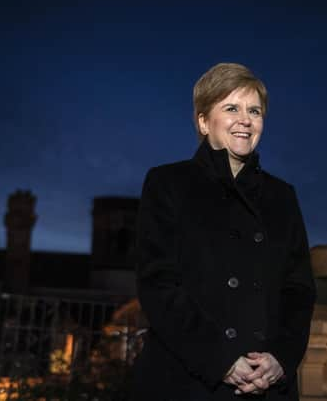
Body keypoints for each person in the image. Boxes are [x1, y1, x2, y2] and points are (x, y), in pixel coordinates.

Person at [132, 63, 316, 401]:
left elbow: (299, 289)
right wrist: (220, 359)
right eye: (231, 108)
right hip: (188, 381)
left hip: (267, 384)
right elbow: (158, 285)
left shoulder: (282, 196)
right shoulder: (168, 184)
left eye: (254, 110)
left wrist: (281, 358)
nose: (245, 119)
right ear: (203, 121)